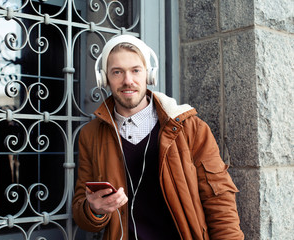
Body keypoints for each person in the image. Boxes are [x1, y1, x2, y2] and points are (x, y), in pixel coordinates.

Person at [72, 34, 244, 240]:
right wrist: (95, 209)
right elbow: (82, 214)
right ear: (104, 78)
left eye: (136, 70)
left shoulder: (190, 127)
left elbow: (220, 202)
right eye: (117, 72)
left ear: (149, 75)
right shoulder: (90, 135)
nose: (128, 81)